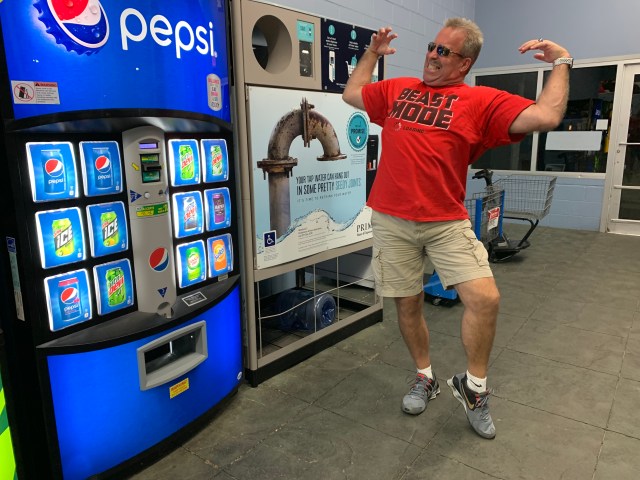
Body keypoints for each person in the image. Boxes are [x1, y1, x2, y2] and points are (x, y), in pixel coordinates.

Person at [342, 18, 571, 439]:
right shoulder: (398, 89)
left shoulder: (479, 100)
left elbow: (547, 115)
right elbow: (351, 93)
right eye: (432, 46)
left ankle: (474, 389)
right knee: (407, 304)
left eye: (443, 51)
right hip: (392, 219)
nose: (432, 54)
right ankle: (425, 377)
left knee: (485, 299)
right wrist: (372, 53)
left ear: (464, 63)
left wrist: (562, 62)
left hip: (446, 222)